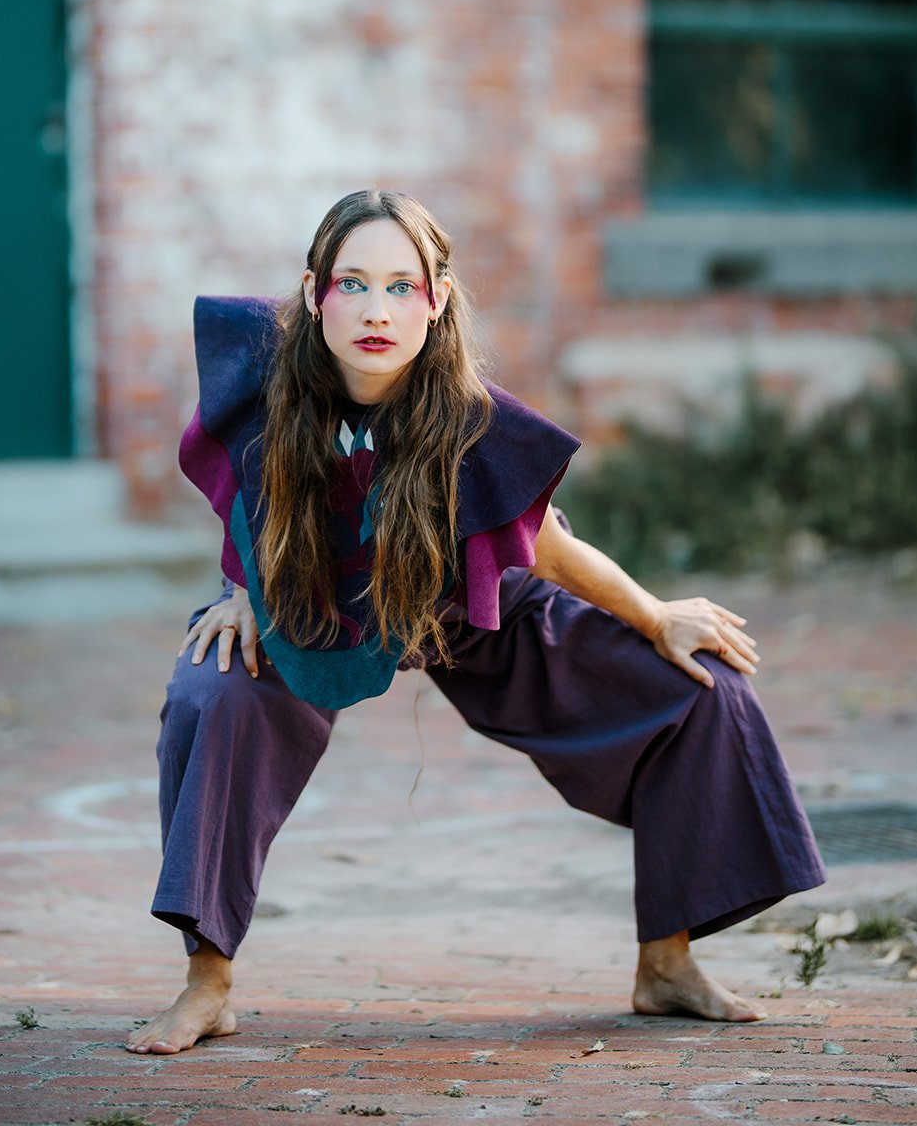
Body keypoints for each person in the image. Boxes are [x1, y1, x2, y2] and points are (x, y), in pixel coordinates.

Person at [126, 189, 826, 1056]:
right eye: (352, 285)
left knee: (695, 688)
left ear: (437, 297)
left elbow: (547, 548)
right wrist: (244, 589)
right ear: (314, 296)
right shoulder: (266, 386)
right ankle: (208, 982)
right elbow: (252, 509)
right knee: (212, 693)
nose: (376, 310)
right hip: (309, 604)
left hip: (464, 605)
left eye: (399, 286)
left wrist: (654, 617)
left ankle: (666, 963)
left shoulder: (469, 419)